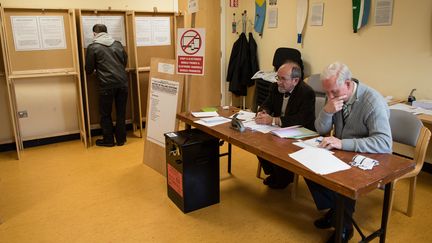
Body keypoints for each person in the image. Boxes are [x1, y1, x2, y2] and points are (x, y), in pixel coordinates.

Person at [306, 62, 392, 242]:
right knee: (307, 165)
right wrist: (328, 112)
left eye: (334, 93)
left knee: (344, 177)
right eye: (326, 92)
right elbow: (320, 129)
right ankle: (335, 210)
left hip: (370, 156)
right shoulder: (336, 97)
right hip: (343, 150)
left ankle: (344, 228)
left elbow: (384, 143)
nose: (330, 96)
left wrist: (342, 143)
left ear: (348, 83)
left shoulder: (372, 101)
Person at [255, 61, 315, 189]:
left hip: (301, 132)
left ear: (295, 80)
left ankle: (284, 177)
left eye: (283, 79)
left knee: (276, 144)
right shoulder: (275, 87)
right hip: (279, 128)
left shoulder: (306, 93)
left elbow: (301, 119)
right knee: (257, 141)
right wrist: (263, 112)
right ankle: (274, 173)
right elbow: (267, 103)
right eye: (278, 77)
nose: (278, 82)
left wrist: (274, 120)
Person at [85, 24, 128, 147]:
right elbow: (124, 61)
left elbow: (88, 69)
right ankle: (121, 139)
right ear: (106, 32)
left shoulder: (93, 47)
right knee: (121, 113)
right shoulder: (117, 44)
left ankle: (108, 140)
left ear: (94, 34)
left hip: (106, 85)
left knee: (105, 114)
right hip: (123, 83)